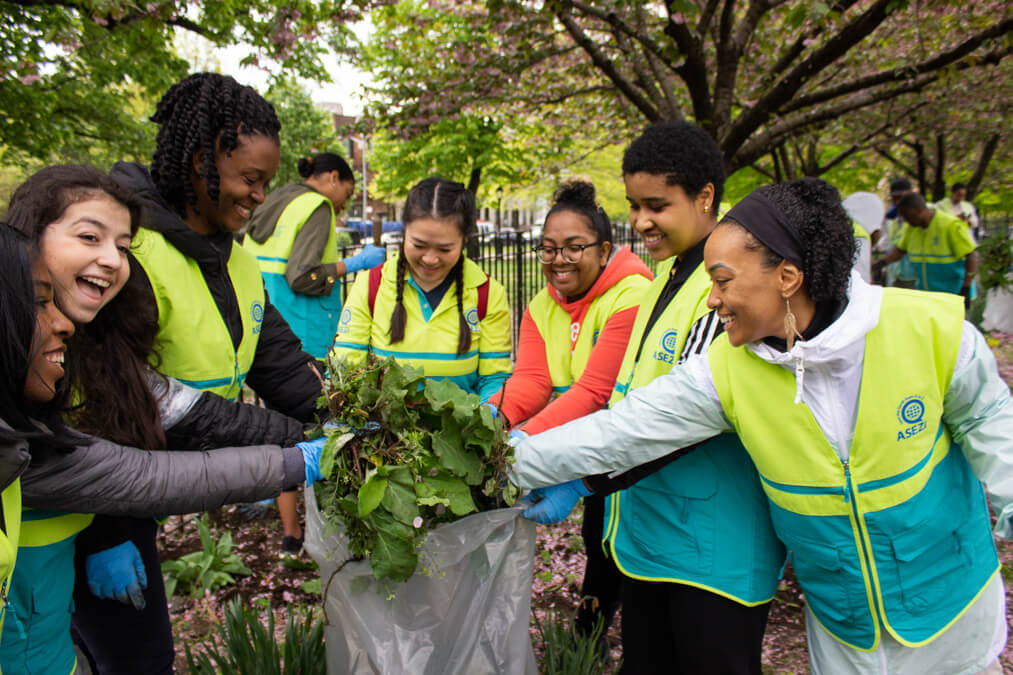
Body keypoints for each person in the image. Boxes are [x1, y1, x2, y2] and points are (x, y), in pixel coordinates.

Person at [512, 177, 1013, 675]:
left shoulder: (932, 331)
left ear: (787, 277)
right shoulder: (726, 369)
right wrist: (509, 460)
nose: (711, 300)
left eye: (723, 280)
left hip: (954, 617)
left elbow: (994, 427)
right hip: (847, 631)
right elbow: (624, 431)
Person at [1, 165, 324, 675]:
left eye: (124, 246)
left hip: (51, 600)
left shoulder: (99, 343)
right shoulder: (21, 387)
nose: (112, 259)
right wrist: (304, 457)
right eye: (89, 236)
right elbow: (141, 476)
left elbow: (185, 410)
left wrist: (312, 439)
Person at [524, 122, 786, 673]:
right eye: (633, 205)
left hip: (712, 551)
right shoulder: (664, 275)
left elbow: (681, 420)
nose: (640, 221)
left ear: (705, 197)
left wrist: (580, 478)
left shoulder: (727, 286)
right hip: (651, 540)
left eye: (656, 205)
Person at [493, 179, 652, 638]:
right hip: (585, 446)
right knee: (596, 536)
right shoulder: (543, 304)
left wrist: (521, 443)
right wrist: (490, 419)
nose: (558, 259)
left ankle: (597, 639)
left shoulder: (631, 296)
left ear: (604, 250)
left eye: (573, 247)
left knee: (614, 543)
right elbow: (532, 379)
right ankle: (593, 636)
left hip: (630, 452)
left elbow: (595, 391)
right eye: (548, 248)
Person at [332, 177, 512, 400]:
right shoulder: (371, 285)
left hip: (463, 430)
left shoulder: (488, 293)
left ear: (465, 240)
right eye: (418, 245)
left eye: (445, 249)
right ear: (404, 231)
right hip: (384, 429)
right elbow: (346, 371)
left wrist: (487, 418)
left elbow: (494, 380)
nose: (430, 259)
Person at [243, 152, 386, 359]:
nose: (345, 205)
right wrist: (354, 263)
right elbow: (302, 277)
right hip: (303, 339)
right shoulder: (317, 206)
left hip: (266, 332)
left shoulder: (278, 199)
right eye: (347, 194)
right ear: (333, 178)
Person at [878, 192, 978, 301]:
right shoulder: (912, 228)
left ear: (918, 211)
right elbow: (900, 250)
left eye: (907, 216)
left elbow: (972, 256)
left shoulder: (950, 225)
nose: (905, 220)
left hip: (954, 295)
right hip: (928, 294)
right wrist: (882, 263)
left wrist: (966, 287)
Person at [879, 178, 918, 287]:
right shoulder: (892, 218)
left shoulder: (924, 215)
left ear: (911, 193)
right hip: (896, 276)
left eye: (900, 197)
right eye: (894, 198)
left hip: (916, 276)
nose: (897, 202)